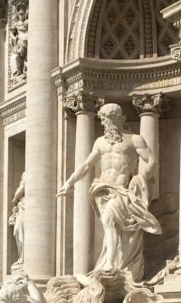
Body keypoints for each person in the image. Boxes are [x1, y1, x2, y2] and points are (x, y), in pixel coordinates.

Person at [57, 103, 161, 281]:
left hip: (121, 190)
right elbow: (86, 165)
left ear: (120, 118)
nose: (105, 123)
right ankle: (111, 262)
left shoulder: (134, 139)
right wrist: (70, 182)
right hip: (101, 191)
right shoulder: (100, 142)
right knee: (110, 227)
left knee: (108, 220)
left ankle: (110, 263)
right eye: (103, 119)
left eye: (108, 119)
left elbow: (152, 162)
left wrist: (140, 177)